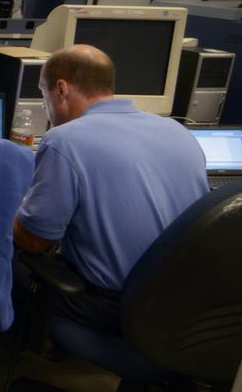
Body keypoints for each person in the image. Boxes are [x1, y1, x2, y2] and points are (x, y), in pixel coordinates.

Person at [14, 44, 208, 332]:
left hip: (116, 307)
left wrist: (9, 211)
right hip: (186, 303)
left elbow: (35, 241)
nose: (48, 109)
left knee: (2, 255)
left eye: (44, 98)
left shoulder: (65, 140)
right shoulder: (178, 130)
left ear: (61, 90)